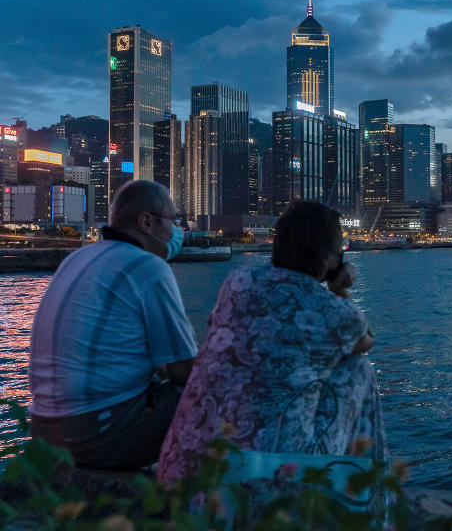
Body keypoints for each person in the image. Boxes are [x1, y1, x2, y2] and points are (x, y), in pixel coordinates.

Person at [157, 200, 385, 485]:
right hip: (259, 484)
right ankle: (369, 499)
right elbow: (365, 341)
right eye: (340, 246)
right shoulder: (329, 310)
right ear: (328, 256)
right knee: (357, 368)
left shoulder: (237, 283)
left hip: (183, 472)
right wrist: (338, 289)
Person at [28, 180, 196, 470]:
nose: (176, 230)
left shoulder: (76, 259)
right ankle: (202, 501)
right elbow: (185, 372)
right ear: (146, 222)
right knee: (216, 389)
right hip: (94, 435)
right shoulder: (148, 266)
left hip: (44, 433)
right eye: (173, 220)